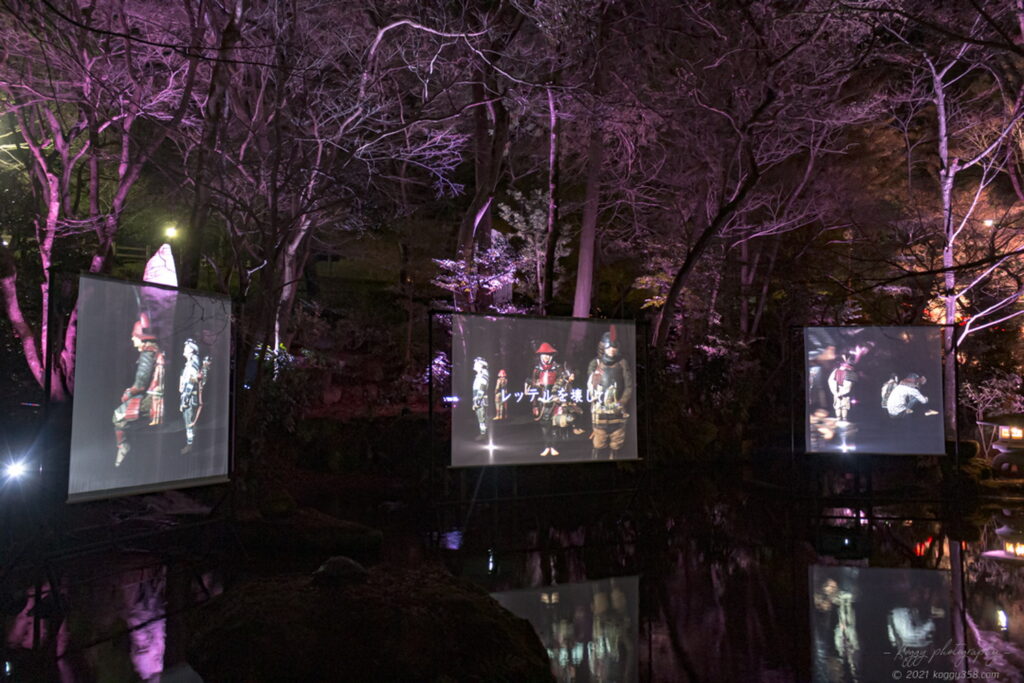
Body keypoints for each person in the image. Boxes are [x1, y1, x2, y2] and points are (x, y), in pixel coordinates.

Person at [112, 314, 165, 466]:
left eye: (134, 336)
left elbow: (141, 383)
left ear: (141, 337)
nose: (132, 339)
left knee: (118, 416)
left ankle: (123, 447)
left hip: (153, 400)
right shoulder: (156, 350)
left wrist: (129, 393)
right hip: (156, 397)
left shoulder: (148, 353)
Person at [587, 328, 633, 460]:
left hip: (617, 407)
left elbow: (629, 386)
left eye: (614, 347)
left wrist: (621, 403)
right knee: (599, 438)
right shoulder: (595, 363)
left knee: (617, 437)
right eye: (609, 347)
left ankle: (614, 458)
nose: (612, 350)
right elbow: (591, 384)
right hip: (599, 407)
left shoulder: (622, 363)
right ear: (603, 347)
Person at [528, 342, 569, 456]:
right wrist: (535, 405)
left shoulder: (558, 368)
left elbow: (562, 382)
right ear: (540, 356)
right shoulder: (537, 369)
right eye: (544, 355)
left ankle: (554, 446)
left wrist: (561, 399)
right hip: (542, 401)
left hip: (556, 400)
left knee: (555, 423)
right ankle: (547, 446)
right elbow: (533, 389)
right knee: (545, 424)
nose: (546, 357)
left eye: (548, 355)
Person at [178, 339, 209, 455]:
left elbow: (191, 384)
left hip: (191, 399)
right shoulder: (190, 364)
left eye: (186, 347)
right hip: (188, 397)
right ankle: (190, 444)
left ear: (191, 350)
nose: (184, 349)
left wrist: (185, 400)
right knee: (188, 422)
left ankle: (191, 446)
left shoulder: (193, 364)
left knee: (190, 423)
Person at [827, 358, 854, 424]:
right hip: (837, 390)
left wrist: (842, 392)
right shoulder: (836, 371)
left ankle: (844, 418)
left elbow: (849, 384)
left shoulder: (850, 373)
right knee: (837, 406)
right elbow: (831, 380)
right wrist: (835, 392)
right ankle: (838, 418)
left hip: (844, 393)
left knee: (844, 406)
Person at [472, 357, 489, 440]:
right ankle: (483, 434)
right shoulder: (479, 375)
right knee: (480, 417)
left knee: (482, 417)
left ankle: (484, 434)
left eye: (476, 363)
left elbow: (482, 387)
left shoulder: (483, 373)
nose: (474, 364)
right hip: (479, 400)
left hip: (481, 400)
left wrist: (477, 402)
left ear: (481, 365)